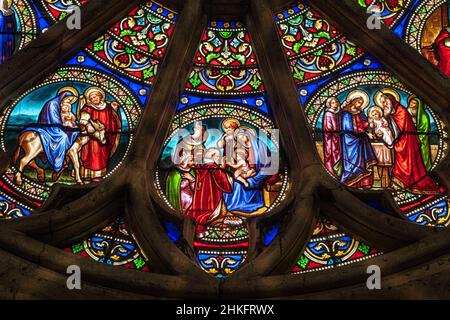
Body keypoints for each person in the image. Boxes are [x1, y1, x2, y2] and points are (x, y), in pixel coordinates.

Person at [375, 90, 438, 194]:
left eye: (385, 102)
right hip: (399, 142)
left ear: (391, 101)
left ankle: (406, 184)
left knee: (406, 164)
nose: (383, 105)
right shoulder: (393, 113)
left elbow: (401, 130)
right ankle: (396, 184)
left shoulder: (401, 112)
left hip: (406, 144)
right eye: (382, 103)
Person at [24, 87, 80, 175]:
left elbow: (72, 118)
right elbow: (54, 120)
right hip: (50, 127)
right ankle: (57, 159)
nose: (69, 101)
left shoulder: (62, 106)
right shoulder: (53, 104)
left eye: (71, 100)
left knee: (75, 132)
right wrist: (63, 124)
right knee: (64, 136)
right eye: (69, 99)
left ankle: (64, 158)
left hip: (58, 126)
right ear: (63, 96)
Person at [79, 87, 121, 182]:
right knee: (90, 155)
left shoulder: (107, 107)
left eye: (96, 96)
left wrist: (114, 108)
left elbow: (113, 120)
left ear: (101, 97)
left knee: (101, 155)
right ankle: (87, 175)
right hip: (91, 138)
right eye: (92, 98)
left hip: (104, 135)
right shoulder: (87, 108)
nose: (94, 99)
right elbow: (83, 120)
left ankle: (98, 175)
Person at [340, 90, 377, 189]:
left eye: (361, 103)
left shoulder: (361, 113)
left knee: (364, 162)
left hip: (361, 140)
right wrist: (358, 131)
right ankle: (349, 181)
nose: (359, 104)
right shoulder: (346, 113)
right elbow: (347, 128)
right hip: (350, 140)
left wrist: (369, 125)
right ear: (353, 101)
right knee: (353, 161)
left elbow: (365, 124)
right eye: (358, 102)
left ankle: (365, 184)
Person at [186, 148, 232, 226]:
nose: (219, 159)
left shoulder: (200, 168)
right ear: (212, 157)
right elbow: (227, 187)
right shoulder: (214, 169)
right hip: (212, 205)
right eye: (218, 157)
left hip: (199, 206)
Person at [367, 106, 394, 188]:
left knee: (386, 131)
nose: (375, 115)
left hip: (383, 130)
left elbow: (386, 124)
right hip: (376, 133)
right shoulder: (372, 121)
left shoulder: (382, 119)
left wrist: (383, 126)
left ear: (380, 113)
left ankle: (389, 142)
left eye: (377, 113)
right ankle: (377, 182)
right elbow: (371, 127)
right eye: (373, 114)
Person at [407, 96, 432, 171]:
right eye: (411, 102)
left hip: (421, 140)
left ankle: (424, 170)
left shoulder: (424, 116)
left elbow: (425, 131)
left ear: (419, 105)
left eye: (414, 103)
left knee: (422, 154)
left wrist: (416, 134)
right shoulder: (408, 113)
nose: (411, 104)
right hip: (411, 139)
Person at [322, 97, 342, 178]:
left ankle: (338, 172)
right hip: (330, 139)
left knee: (338, 154)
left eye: (336, 102)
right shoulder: (328, 114)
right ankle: (330, 171)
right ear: (329, 104)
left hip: (337, 138)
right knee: (331, 153)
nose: (335, 104)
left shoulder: (336, 114)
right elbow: (328, 128)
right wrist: (334, 132)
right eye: (333, 102)